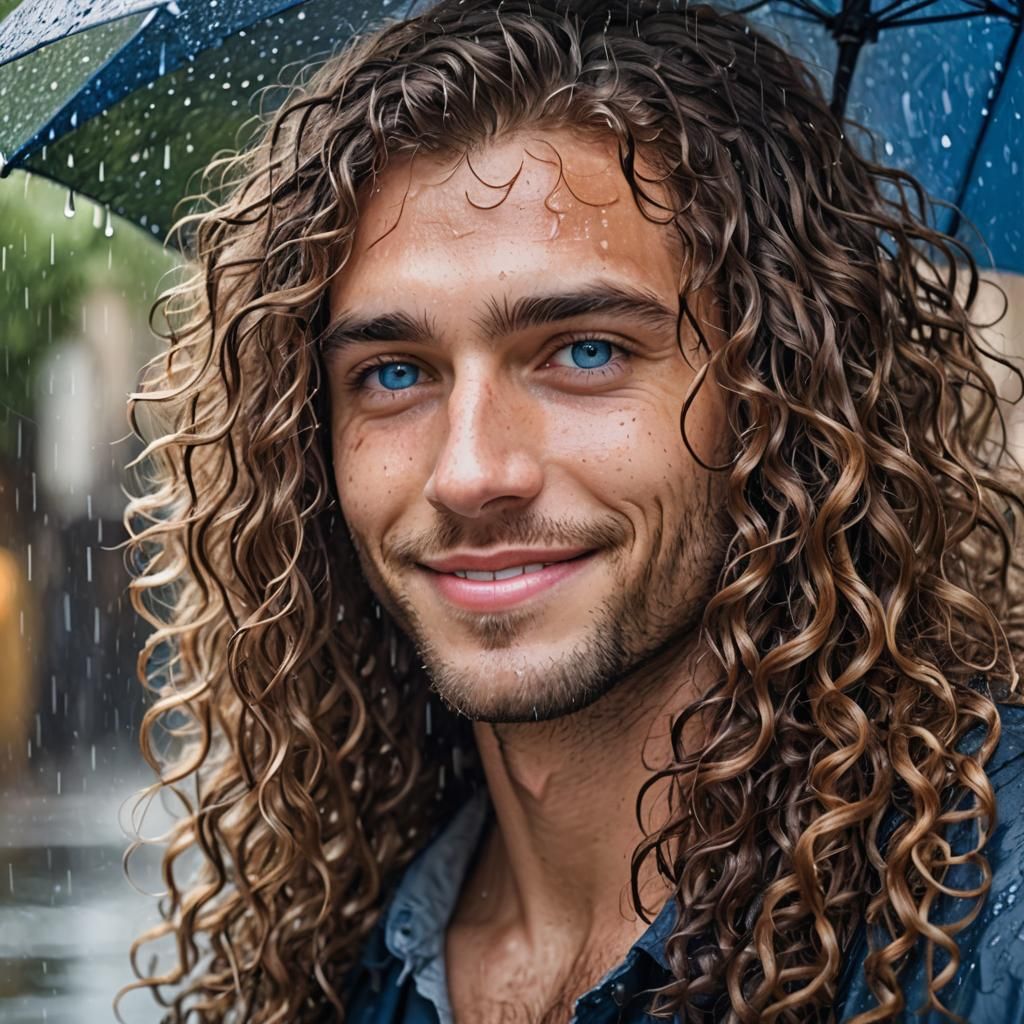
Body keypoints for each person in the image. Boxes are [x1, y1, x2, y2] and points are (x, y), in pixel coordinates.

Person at [119, 1, 1024, 1021]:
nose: (468, 471)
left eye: (584, 351)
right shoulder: (329, 968)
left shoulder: (987, 917)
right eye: (394, 372)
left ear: (781, 397)